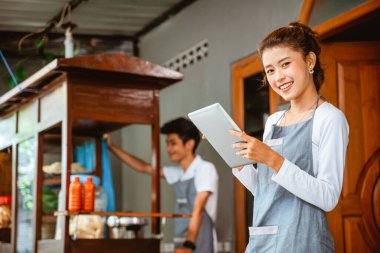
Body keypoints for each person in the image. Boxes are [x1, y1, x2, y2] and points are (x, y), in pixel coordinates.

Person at [229, 22, 349, 252]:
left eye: (285, 64)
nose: (278, 77)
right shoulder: (274, 121)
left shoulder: (330, 118)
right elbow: (267, 192)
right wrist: (235, 157)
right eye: (270, 70)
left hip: (302, 242)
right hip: (264, 241)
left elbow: (329, 197)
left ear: (310, 61)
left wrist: (272, 159)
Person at [107, 117, 218, 253]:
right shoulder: (178, 172)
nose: (168, 149)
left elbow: (198, 209)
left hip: (199, 244)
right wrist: (111, 146)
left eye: (173, 143)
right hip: (182, 243)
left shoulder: (205, 169)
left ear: (189, 144)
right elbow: (144, 167)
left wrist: (189, 245)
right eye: (167, 144)